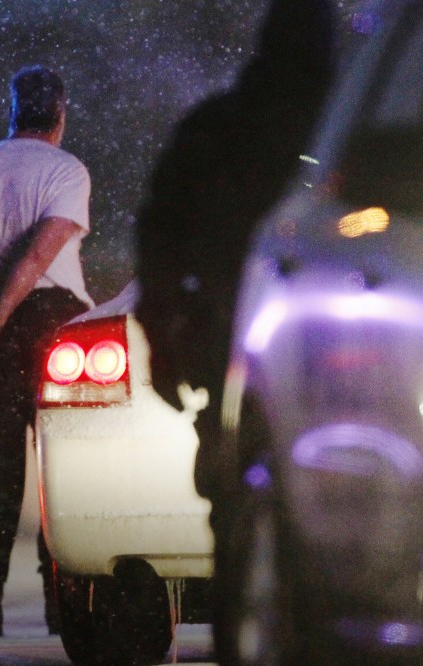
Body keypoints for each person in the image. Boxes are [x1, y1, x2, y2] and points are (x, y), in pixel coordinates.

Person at [133, 1, 335, 663]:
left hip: (229, 346)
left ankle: (244, 621)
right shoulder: (343, 130)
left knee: (235, 510)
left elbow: (159, 244)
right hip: (334, 356)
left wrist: (163, 338)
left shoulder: (216, 130)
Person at [0, 65, 95, 637]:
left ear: (11, 111)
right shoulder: (66, 170)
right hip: (55, 326)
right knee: (67, 469)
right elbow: (39, 255)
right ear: (60, 113)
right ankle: (64, 598)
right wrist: (4, 317)